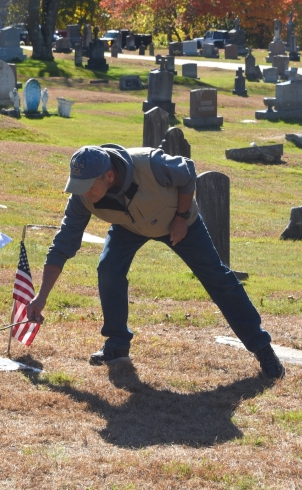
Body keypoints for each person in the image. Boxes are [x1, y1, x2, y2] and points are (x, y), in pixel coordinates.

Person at [25, 144, 285, 379]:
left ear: (110, 176)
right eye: (78, 186)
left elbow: (188, 174)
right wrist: (42, 296)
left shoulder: (150, 163)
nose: (84, 193)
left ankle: (262, 348)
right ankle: (116, 345)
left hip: (179, 222)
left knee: (217, 278)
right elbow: (63, 244)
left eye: (88, 186)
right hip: (129, 228)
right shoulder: (83, 196)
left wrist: (182, 217)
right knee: (109, 269)